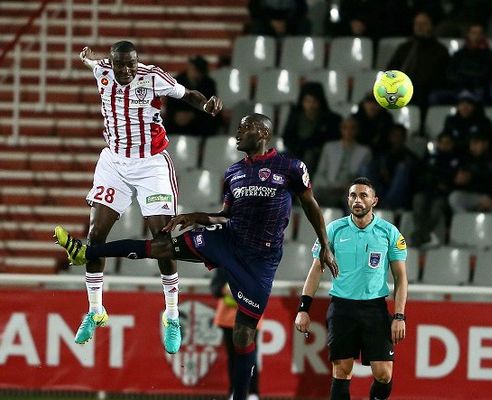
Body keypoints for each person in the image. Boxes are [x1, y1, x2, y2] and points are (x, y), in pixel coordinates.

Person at [55, 113, 339, 400]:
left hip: (260, 262)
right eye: (238, 127)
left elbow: (311, 204)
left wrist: (324, 243)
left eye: (245, 127)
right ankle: (87, 251)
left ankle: (241, 395)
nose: (238, 132)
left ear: (263, 132)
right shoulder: (233, 173)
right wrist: (197, 217)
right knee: (162, 246)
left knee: (243, 333)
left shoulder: (290, 166)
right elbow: (225, 216)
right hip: (227, 241)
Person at [74, 41, 223, 354]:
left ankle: (170, 315)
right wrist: (88, 57)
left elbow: (189, 94)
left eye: (131, 63)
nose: (126, 70)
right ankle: (95, 309)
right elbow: (92, 60)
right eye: (120, 64)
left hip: (150, 164)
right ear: (111, 63)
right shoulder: (102, 70)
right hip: (113, 162)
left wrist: (206, 105)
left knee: (162, 241)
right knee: (95, 236)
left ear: (136, 61)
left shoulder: (152, 77)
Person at [295, 177, 408, 400]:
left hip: (374, 308)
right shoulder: (334, 231)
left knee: (383, 374)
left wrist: (399, 315)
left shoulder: (389, 232)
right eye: (353, 195)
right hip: (342, 308)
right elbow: (317, 269)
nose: (357, 200)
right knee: (342, 371)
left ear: (374, 200)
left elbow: (401, 278)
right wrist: (303, 308)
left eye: (363, 195)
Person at [210, 268, 260, 400]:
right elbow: (215, 287)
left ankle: (252, 393)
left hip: (251, 317)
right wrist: (225, 289)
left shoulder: (258, 259)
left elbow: (263, 286)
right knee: (233, 357)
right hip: (228, 319)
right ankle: (234, 391)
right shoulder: (225, 259)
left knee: (250, 356)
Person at [386, 12, 450, 109]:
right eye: (417, 24)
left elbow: (442, 77)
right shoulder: (405, 48)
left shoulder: (440, 50)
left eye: (424, 24)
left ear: (431, 26)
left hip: (425, 92)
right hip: (402, 89)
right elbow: (391, 70)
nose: (419, 27)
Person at [313, 116, 372, 208]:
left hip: (348, 189)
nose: (348, 131)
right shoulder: (329, 147)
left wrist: (347, 186)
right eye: (345, 127)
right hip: (328, 187)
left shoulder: (364, 152)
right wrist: (330, 186)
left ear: (357, 130)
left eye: (352, 128)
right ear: (341, 129)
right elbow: (320, 173)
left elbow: (363, 178)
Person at [282, 82, 342, 171]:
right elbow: (287, 138)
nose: (311, 105)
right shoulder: (295, 117)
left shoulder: (331, 119)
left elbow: (330, 142)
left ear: (320, 103)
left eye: (314, 102)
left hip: (319, 156)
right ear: (302, 102)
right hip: (296, 153)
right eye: (308, 101)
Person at [163, 55, 221, 137]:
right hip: (177, 122)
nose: (194, 72)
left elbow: (210, 105)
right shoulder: (177, 82)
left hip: (198, 121)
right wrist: (176, 115)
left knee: (210, 121)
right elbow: (170, 104)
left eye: (197, 70)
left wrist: (192, 115)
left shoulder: (209, 84)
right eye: (192, 69)